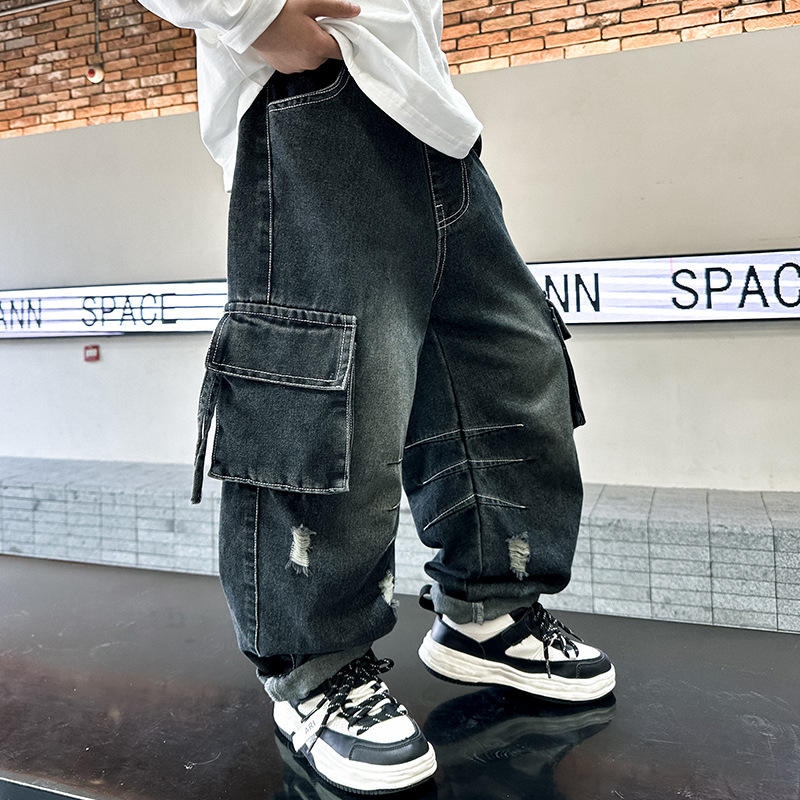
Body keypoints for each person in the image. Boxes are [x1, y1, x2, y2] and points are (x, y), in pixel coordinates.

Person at [138, 0, 616, 793]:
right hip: (316, 94)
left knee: (506, 364)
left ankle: (488, 608)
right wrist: (253, 14)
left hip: (435, 120)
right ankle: (314, 668)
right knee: (332, 388)